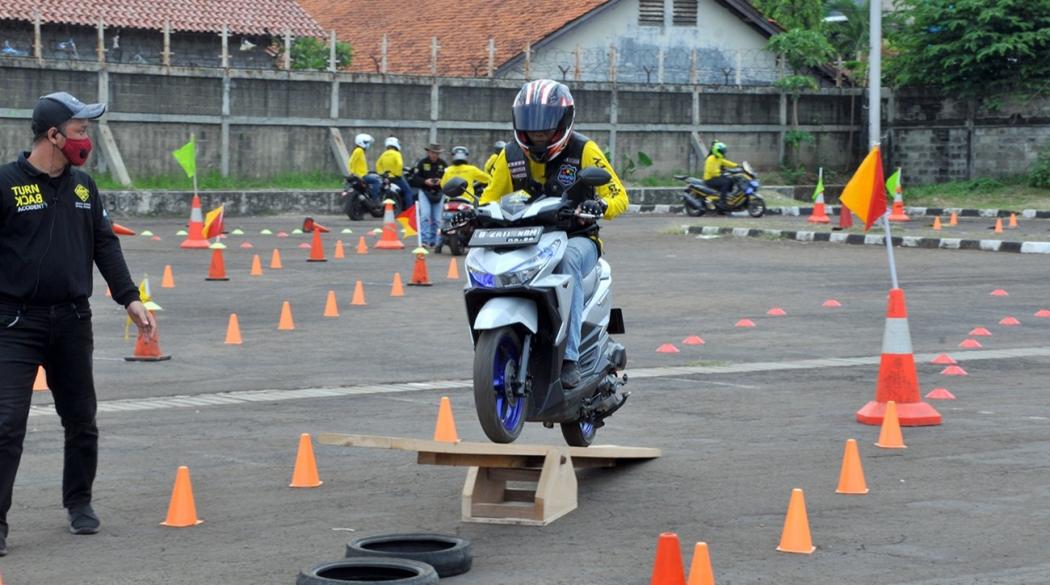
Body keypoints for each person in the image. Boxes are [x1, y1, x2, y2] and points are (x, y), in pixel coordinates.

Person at [0, 92, 155, 556]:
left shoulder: (85, 187)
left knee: (81, 419)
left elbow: (104, 245)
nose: (87, 140)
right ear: (53, 135)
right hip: (14, 323)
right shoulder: (6, 184)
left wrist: (130, 298)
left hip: (71, 320)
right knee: (6, 424)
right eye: (80, 131)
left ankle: (79, 502)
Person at [475, 80, 628, 388]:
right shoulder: (511, 156)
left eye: (546, 128)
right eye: (532, 128)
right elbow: (490, 197)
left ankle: (569, 357)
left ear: (563, 122)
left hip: (577, 238)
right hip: (528, 238)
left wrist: (599, 206)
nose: (539, 134)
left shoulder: (584, 150)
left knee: (567, 262)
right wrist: (473, 212)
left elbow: (619, 195)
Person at [410, 143, 448, 250]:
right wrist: (425, 181)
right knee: (425, 216)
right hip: (425, 191)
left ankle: (435, 241)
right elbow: (415, 178)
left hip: (439, 193)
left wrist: (441, 181)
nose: (434, 155)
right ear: (428, 152)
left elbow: (448, 178)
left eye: (436, 153)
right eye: (432, 153)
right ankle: (425, 241)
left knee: (437, 219)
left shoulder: (443, 164)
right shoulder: (422, 163)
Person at [376, 136, 414, 207]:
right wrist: (397, 174)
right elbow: (399, 164)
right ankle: (410, 209)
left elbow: (378, 164)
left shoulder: (384, 154)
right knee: (408, 192)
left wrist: (382, 174)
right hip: (395, 178)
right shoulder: (397, 154)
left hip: (386, 178)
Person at [703, 141, 738, 209]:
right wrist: (720, 174)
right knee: (725, 182)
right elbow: (711, 171)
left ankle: (728, 197)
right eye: (722, 151)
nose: (723, 153)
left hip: (716, 177)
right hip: (709, 179)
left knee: (731, 179)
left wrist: (737, 165)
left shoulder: (718, 158)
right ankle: (722, 202)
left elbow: (726, 163)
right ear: (717, 151)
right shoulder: (710, 159)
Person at [348, 133, 381, 200]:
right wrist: (353, 173)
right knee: (377, 181)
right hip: (361, 176)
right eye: (367, 142)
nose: (368, 144)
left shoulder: (359, 151)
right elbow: (351, 162)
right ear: (362, 142)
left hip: (361, 174)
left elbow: (358, 164)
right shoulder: (359, 151)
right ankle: (375, 200)